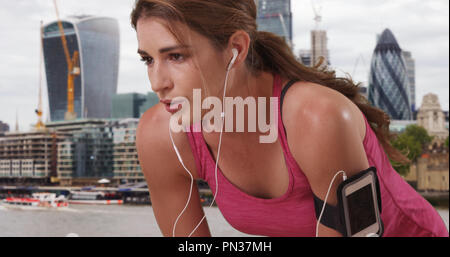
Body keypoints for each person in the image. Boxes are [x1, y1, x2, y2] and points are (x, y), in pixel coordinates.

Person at [131, 0, 448, 237]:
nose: (157, 82)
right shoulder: (161, 135)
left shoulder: (318, 119)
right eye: (147, 59)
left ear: (236, 50)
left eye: (176, 56)